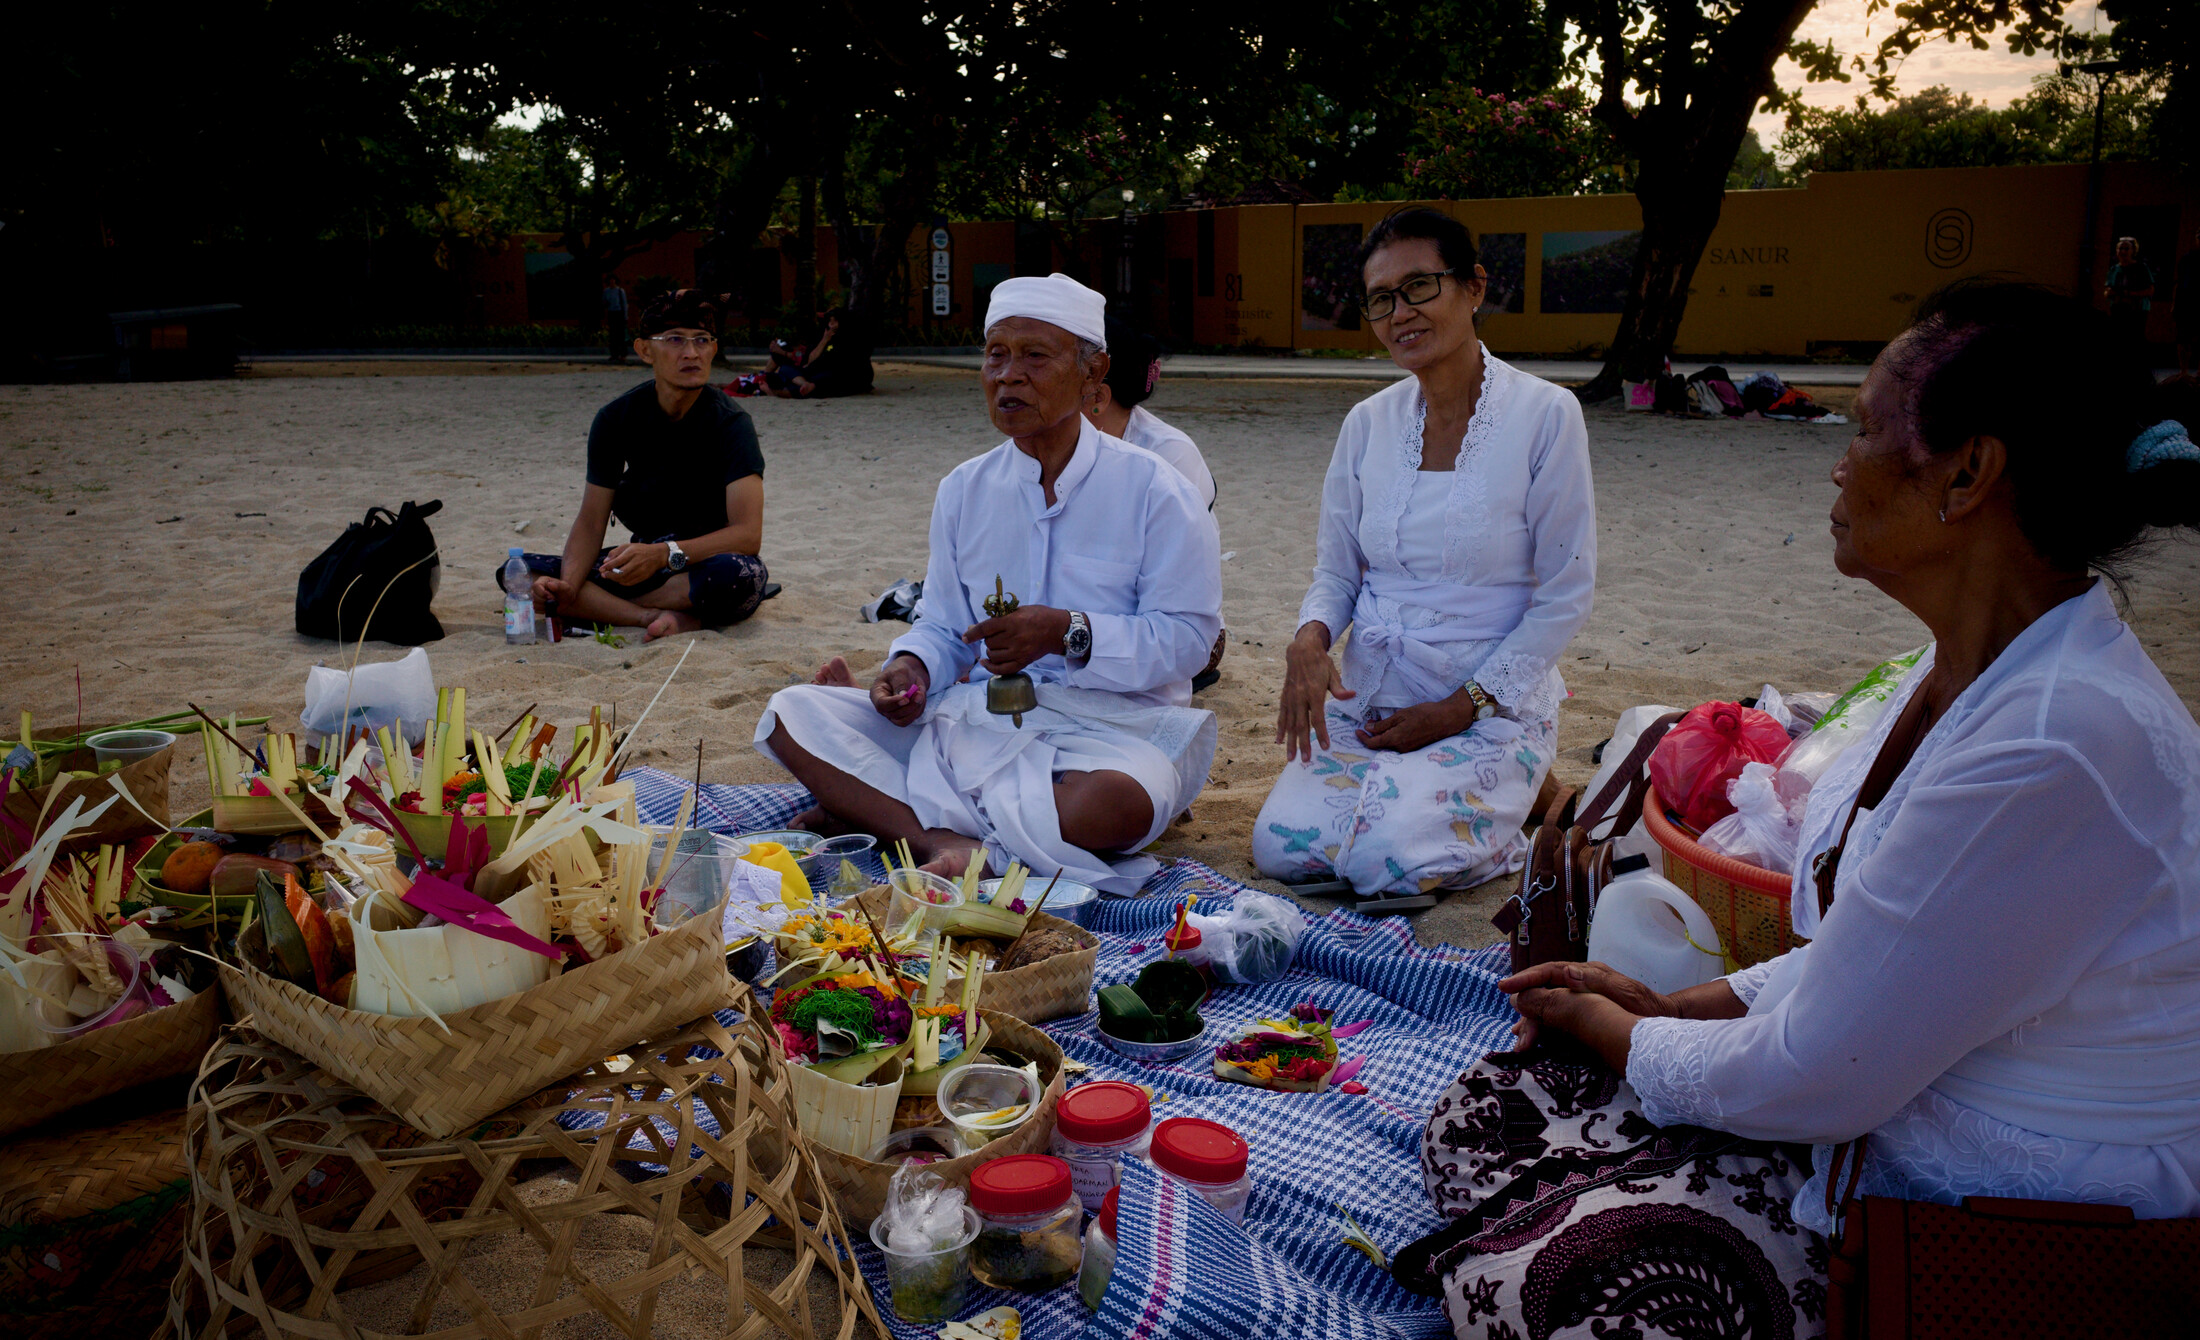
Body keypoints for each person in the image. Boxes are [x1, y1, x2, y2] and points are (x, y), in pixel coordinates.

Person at [1410, 281, 2200, 1337]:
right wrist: (1686, 1004)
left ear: (1967, 473)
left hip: (2018, 1229)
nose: (1839, 461)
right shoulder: (1972, 669)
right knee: (1488, 1111)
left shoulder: (2058, 740)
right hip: (1858, 1104)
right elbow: (1882, 948)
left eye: (1868, 429)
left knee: (1571, 1291)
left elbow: (1822, 1073)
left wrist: (1620, 1031)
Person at [754, 273, 1221, 892]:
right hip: (979, 719)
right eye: (995, 355)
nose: (1008, 375)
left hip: (1111, 730)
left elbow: (1189, 641)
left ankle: (888, 811)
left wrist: (1070, 634)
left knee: (1114, 803)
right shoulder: (965, 489)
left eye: (1034, 356)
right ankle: (939, 839)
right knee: (790, 714)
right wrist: (913, 670)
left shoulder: (1158, 491)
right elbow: (945, 626)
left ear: (1093, 373)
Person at [1251, 208, 1595, 910]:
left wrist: (1459, 708)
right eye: (1381, 298)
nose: (1398, 313)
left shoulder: (1545, 414)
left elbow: (1566, 592)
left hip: (1487, 697)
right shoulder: (1368, 424)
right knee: (1285, 849)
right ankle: (1513, 793)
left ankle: (1517, 795)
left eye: (1419, 287)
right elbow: (1337, 572)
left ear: (1473, 287)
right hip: (1375, 695)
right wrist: (1311, 639)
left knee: (1390, 860)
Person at [513, 289, 770, 641]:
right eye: (675, 340)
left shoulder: (731, 424)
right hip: (641, 562)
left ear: (713, 348)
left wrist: (664, 555)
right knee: (518, 574)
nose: (691, 353)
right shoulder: (616, 419)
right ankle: (648, 616)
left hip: (699, 562)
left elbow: (747, 535)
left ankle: (598, 607)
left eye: (702, 340)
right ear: (645, 350)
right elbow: (591, 521)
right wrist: (570, 583)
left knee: (738, 577)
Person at [1086, 315, 1226, 691]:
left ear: (1098, 393)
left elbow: (1176, 576)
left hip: (1171, 627)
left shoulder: (1168, 454)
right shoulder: (1055, 445)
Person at [766, 307, 875, 399]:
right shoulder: (822, 338)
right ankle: (804, 384)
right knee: (785, 368)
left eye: (834, 321)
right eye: (830, 321)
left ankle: (801, 388)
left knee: (826, 380)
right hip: (813, 373)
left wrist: (784, 353)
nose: (831, 324)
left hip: (838, 375)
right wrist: (824, 340)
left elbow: (842, 365)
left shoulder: (850, 340)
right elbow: (809, 358)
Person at [2105, 235, 2156, 350]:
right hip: (2118, 308)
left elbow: (2150, 290)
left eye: (2126, 249)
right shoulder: (2114, 269)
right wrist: (2110, 293)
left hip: (2136, 310)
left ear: (2133, 251)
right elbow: (2107, 288)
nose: (2123, 252)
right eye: (2120, 249)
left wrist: (2130, 294)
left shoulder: (2141, 269)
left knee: (2134, 339)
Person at [2175, 226, 2200, 377]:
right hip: (2186, 302)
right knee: (2183, 339)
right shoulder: (2187, 259)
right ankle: (2183, 371)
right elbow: (2179, 282)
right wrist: (2175, 303)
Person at [601, 277, 630, 364]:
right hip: (611, 313)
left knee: (621, 336)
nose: (612, 282)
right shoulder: (606, 291)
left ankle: (623, 355)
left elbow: (624, 304)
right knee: (613, 335)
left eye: (613, 281)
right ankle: (614, 354)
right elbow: (604, 302)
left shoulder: (620, 291)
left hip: (619, 313)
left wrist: (625, 316)